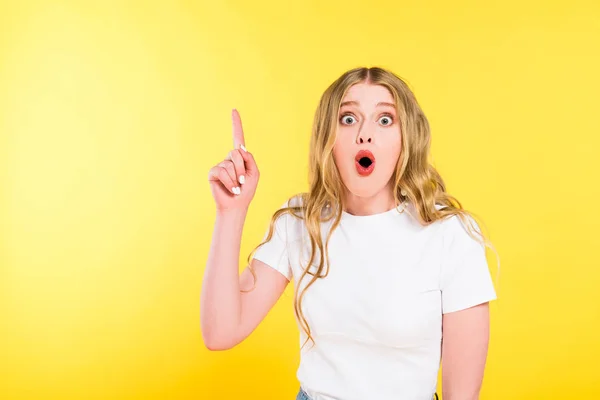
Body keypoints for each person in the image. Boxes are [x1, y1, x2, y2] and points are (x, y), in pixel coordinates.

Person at [201, 66, 499, 400]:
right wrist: (231, 212)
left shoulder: (450, 233)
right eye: (348, 119)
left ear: (406, 139)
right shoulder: (301, 221)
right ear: (328, 138)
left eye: (385, 120)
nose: (365, 134)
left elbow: (462, 396)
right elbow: (220, 332)